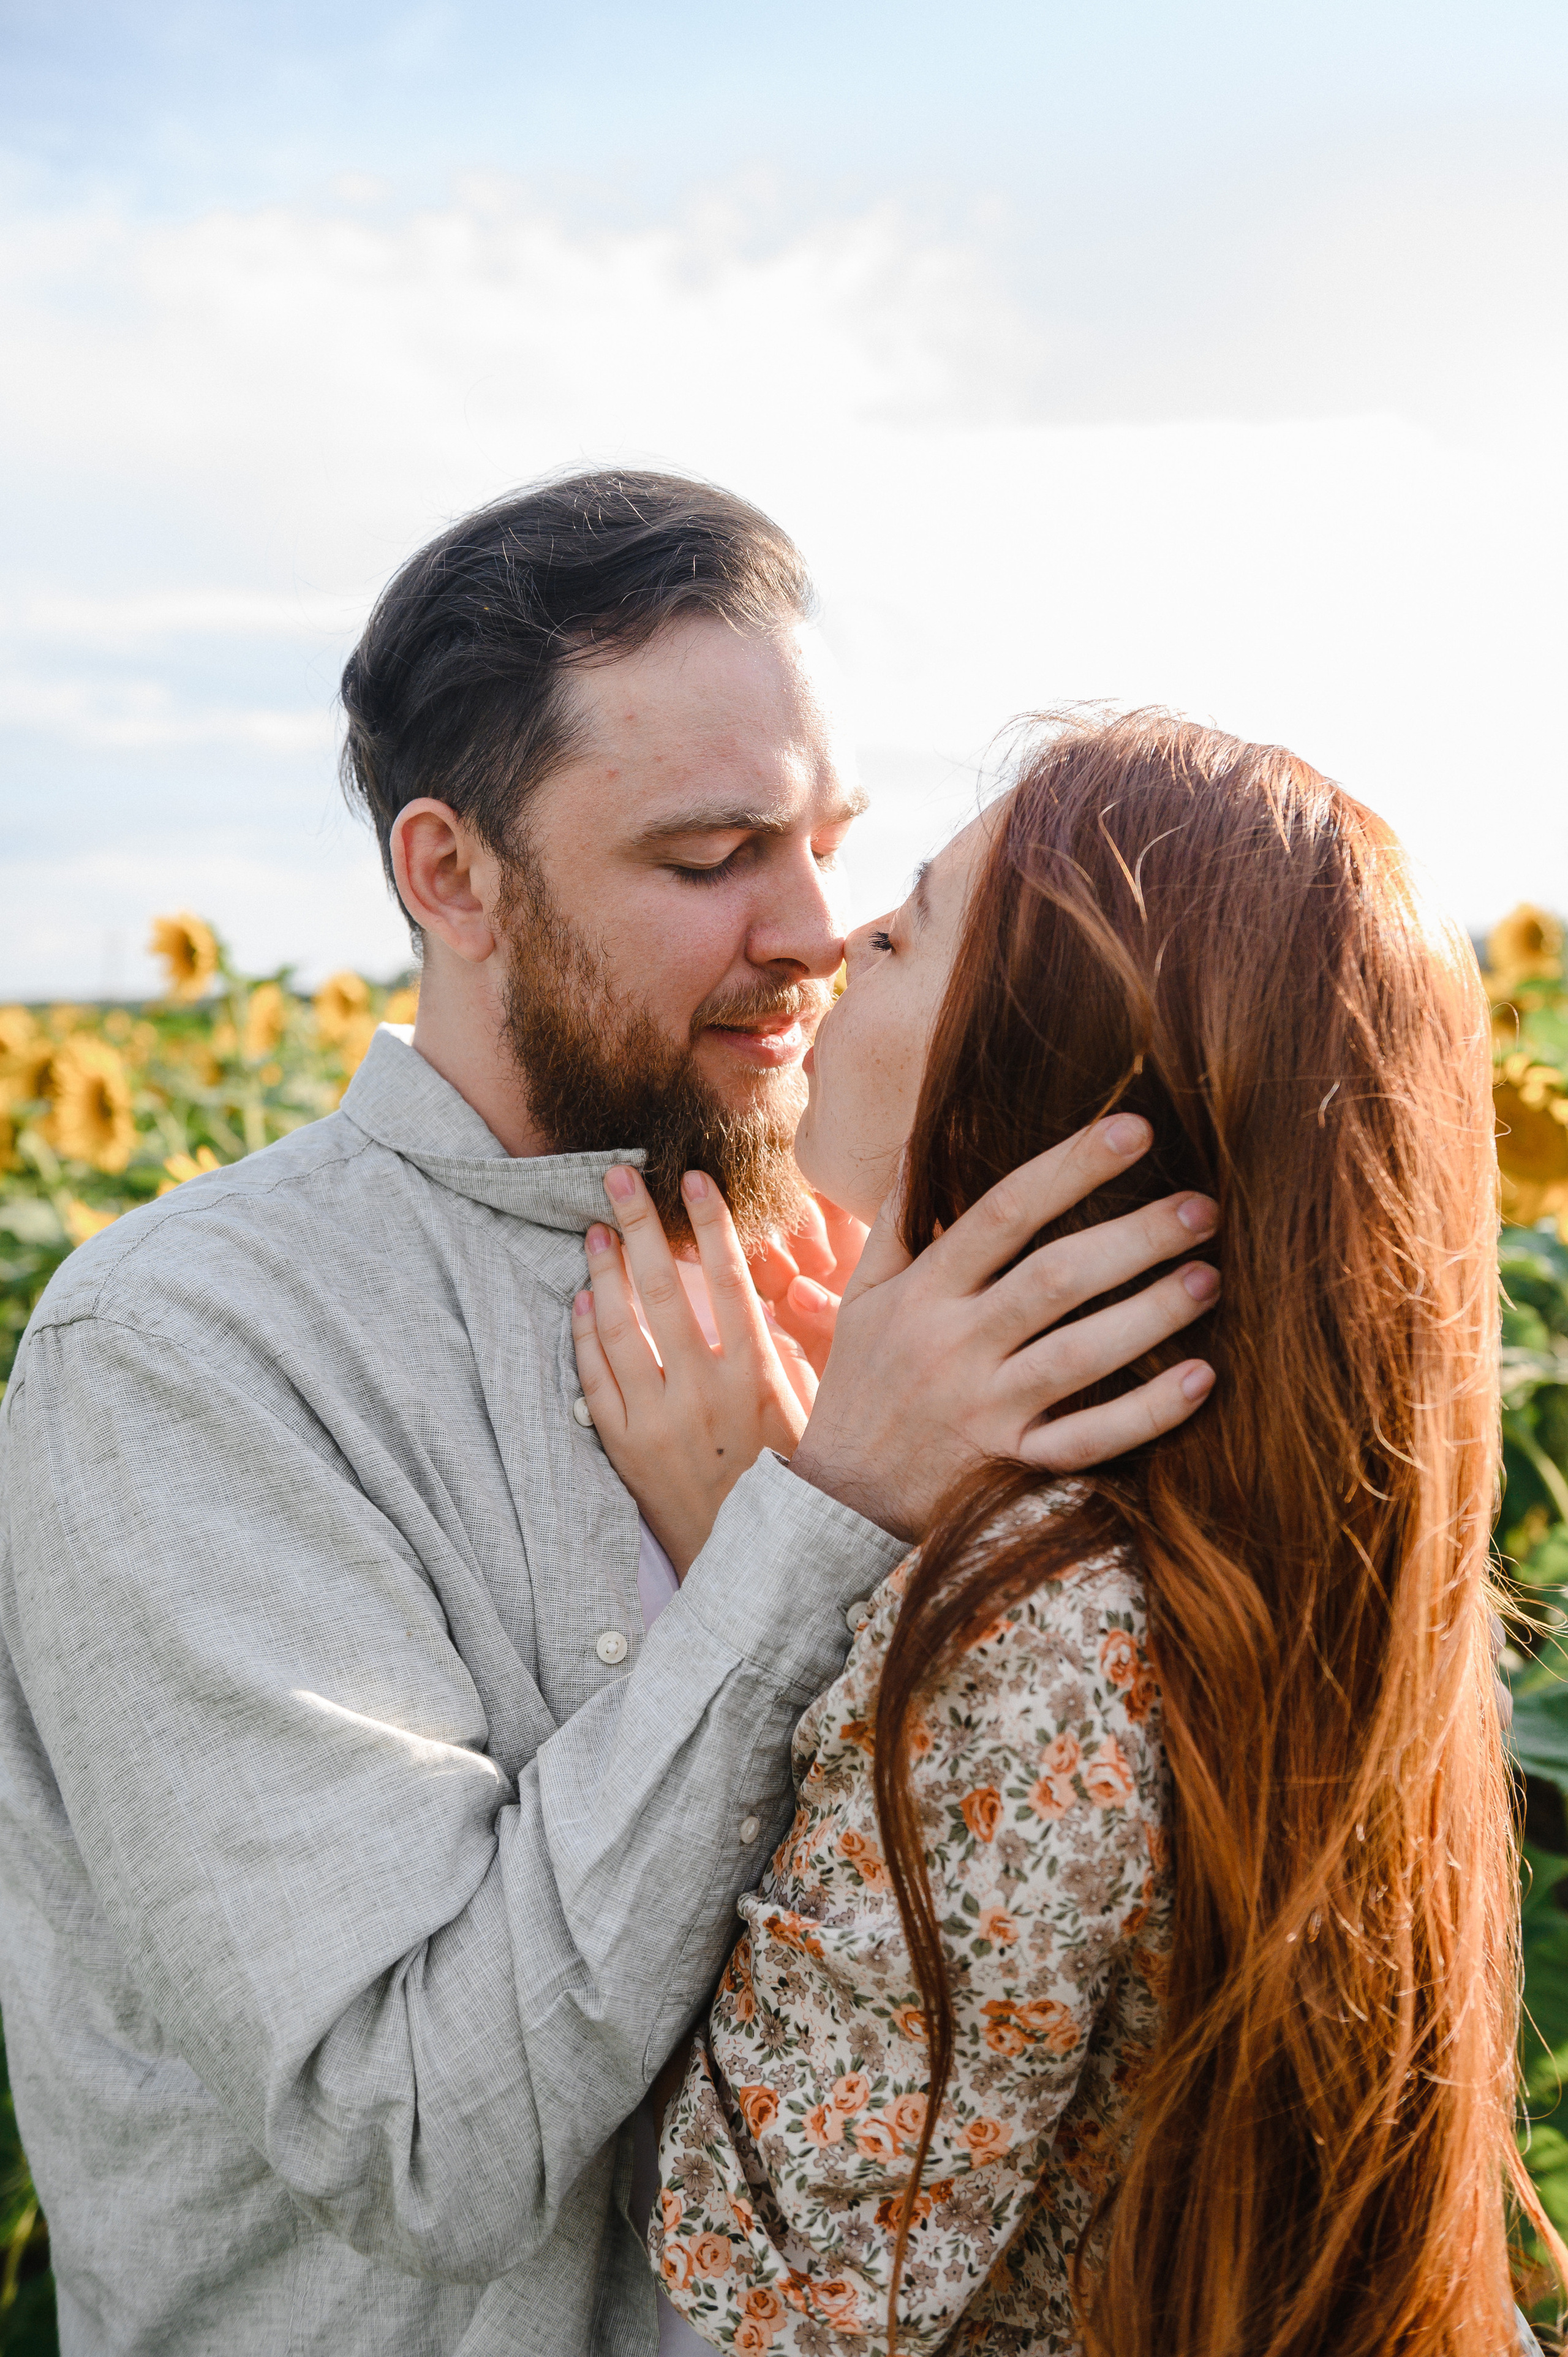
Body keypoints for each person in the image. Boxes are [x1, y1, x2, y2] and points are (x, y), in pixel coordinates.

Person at [0, 477, 1218, 2357]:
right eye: (712, 853)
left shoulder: (885, 1266)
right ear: (452, 876)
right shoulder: (187, 1353)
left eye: (830, 839)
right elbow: (413, 2139)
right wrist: (826, 1528)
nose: (817, 925)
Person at [571, 711, 1555, 2355]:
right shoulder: (1277, 1546)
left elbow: (766, 2280)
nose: (840, 942)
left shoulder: (1034, 1634)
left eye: (915, 923)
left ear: (1044, 1067)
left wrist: (772, 1563)